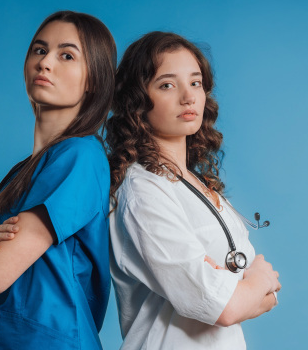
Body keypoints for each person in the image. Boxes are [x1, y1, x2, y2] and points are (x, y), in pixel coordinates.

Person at [0, 10, 116, 350]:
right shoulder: (21, 172)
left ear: (94, 80)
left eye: (66, 55)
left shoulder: (80, 157)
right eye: (39, 50)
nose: (45, 63)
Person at [105, 31, 281, 349]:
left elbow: (264, 301)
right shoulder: (142, 191)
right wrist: (259, 277)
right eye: (167, 84)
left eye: (196, 82)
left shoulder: (194, 182)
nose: (188, 97)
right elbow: (226, 307)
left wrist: (243, 290)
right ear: (136, 100)